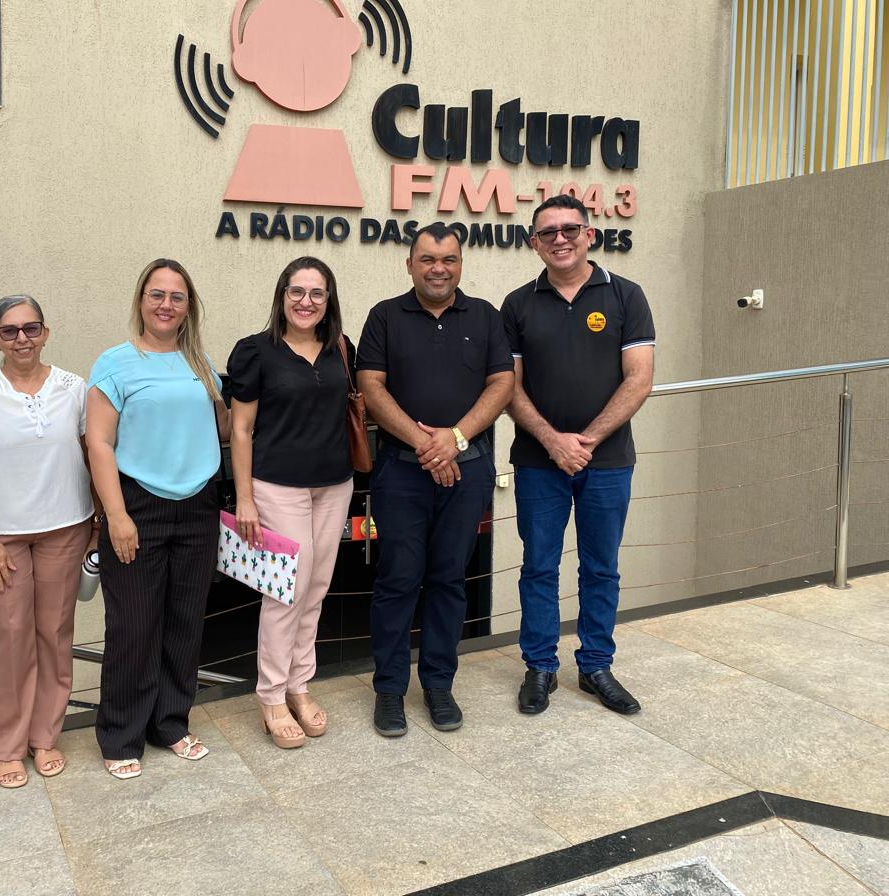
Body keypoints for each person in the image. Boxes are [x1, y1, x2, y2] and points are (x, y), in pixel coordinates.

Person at [356, 222, 514, 737]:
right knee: (398, 579)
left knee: (449, 579)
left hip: (468, 471)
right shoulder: (384, 316)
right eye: (427, 259)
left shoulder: (485, 316)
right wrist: (429, 445)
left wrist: (456, 439)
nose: (438, 269)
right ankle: (389, 690)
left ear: (460, 265)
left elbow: (502, 383)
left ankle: (439, 685)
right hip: (401, 471)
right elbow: (371, 386)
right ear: (410, 264)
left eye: (448, 260)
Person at [502, 195, 655, 716]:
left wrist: (584, 440)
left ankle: (595, 666)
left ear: (590, 234)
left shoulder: (626, 295)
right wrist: (553, 441)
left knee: (601, 568)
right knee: (538, 567)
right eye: (548, 232)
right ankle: (540, 667)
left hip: (607, 463)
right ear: (534, 243)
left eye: (570, 229)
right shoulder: (517, 305)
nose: (560, 239)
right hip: (537, 461)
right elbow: (509, 387)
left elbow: (639, 379)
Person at [0, 295, 96, 788]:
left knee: (55, 633)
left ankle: (45, 736)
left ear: (45, 332)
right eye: (9, 331)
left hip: (66, 528)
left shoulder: (75, 388)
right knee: (9, 637)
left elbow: (93, 455)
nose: (21, 338)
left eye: (31, 328)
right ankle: (7, 746)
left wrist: (98, 525)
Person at [84, 259, 229, 779]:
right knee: (133, 625)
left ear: (189, 307)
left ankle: (170, 723)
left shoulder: (200, 363)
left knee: (185, 622)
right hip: (137, 505)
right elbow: (99, 443)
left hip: (198, 505)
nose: (166, 304)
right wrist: (115, 516)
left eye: (177, 296)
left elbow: (224, 429)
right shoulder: (115, 363)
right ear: (141, 301)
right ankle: (121, 734)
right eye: (157, 294)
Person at [227, 257, 355, 749]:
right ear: (282, 296)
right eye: (296, 291)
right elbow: (241, 429)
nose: (306, 301)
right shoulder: (256, 351)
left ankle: (300, 685)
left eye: (317, 293)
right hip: (277, 487)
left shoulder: (341, 348)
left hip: (334, 485)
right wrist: (244, 497)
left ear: (329, 300)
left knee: (316, 588)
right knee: (286, 591)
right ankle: (271, 695)